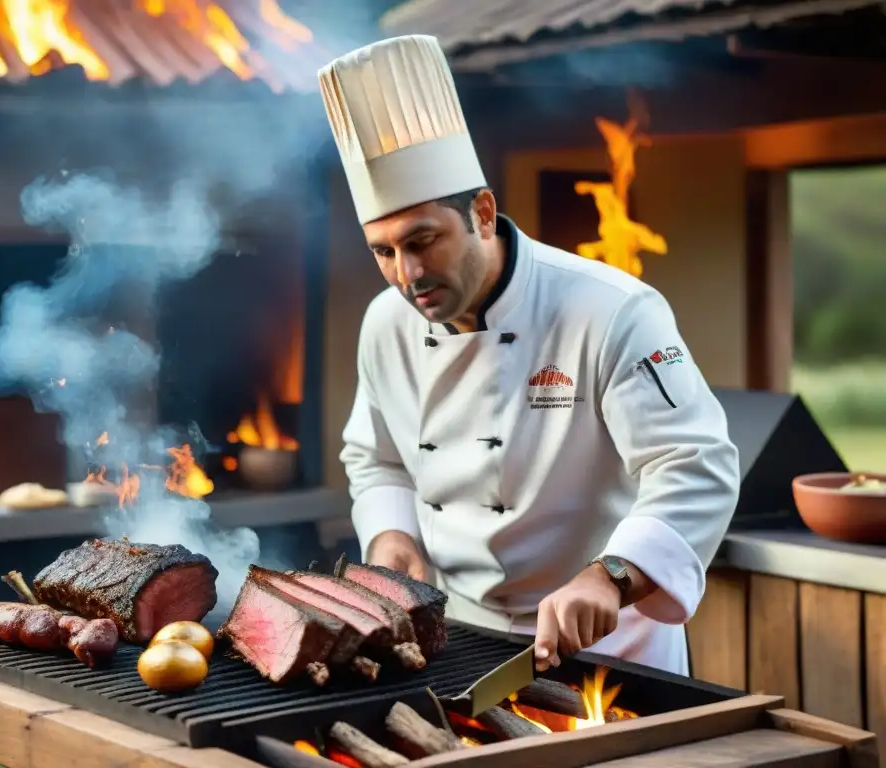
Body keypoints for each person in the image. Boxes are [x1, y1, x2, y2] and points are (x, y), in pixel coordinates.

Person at [317, 35, 740, 676]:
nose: (407, 274)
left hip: (608, 644)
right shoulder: (385, 324)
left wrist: (613, 575)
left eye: (423, 240)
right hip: (458, 639)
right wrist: (392, 534)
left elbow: (697, 462)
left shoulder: (612, 309)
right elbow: (375, 459)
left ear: (483, 213)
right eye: (382, 251)